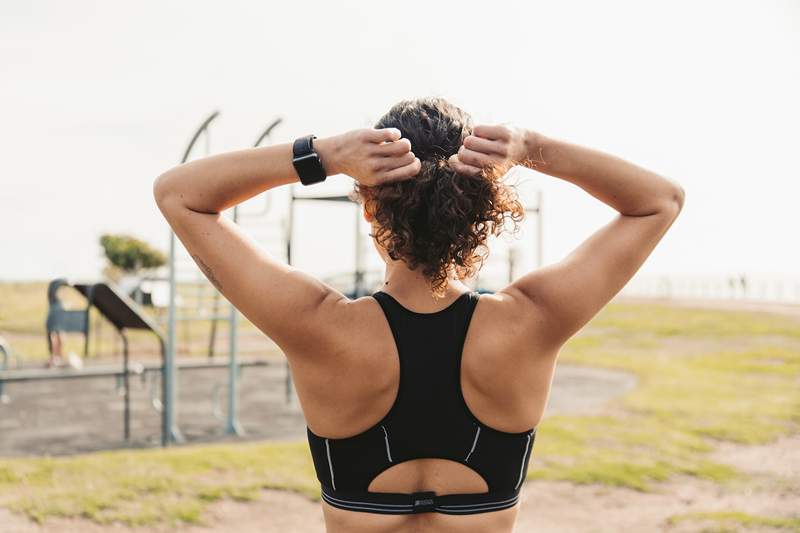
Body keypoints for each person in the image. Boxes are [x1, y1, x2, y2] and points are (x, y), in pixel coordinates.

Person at [153, 97, 684, 532]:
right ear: (480, 204)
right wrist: (529, 147)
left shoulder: (317, 326)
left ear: (368, 207)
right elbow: (659, 200)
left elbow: (179, 194)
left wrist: (325, 155)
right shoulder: (532, 321)